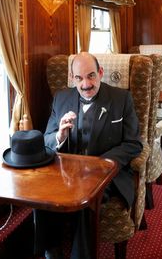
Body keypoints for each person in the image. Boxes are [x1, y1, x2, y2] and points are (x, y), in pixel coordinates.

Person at [36, 52, 143, 259]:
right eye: (79, 78)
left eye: (91, 76)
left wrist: (102, 164)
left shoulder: (122, 99)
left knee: (86, 196)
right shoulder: (61, 98)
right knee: (42, 191)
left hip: (107, 174)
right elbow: (46, 139)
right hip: (66, 172)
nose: (86, 84)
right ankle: (52, 251)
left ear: (101, 73)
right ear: (71, 78)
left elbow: (134, 144)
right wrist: (59, 136)